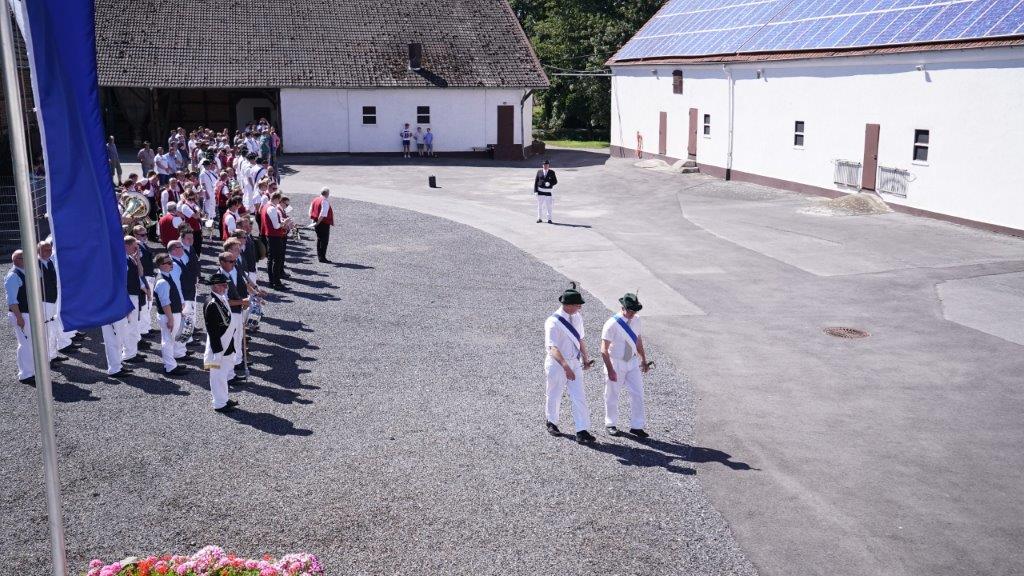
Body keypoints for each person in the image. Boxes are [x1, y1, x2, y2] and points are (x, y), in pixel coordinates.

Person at [544, 286, 596, 443]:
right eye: (578, 305)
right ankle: (552, 422)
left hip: (574, 362)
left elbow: (580, 339)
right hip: (557, 363)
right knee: (554, 393)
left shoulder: (577, 317)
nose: (580, 307)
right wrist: (566, 367)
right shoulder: (553, 322)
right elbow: (553, 348)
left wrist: (585, 359)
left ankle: (582, 430)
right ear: (568, 305)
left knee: (579, 396)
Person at [601, 293, 651, 438]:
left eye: (635, 311)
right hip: (616, 362)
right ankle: (610, 423)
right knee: (612, 394)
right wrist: (610, 369)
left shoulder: (637, 320)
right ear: (622, 308)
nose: (632, 314)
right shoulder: (611, 324)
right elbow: (604, 349)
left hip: (633, 362)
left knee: (638, 393)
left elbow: (638, 341)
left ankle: (637, 426)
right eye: (630, 311)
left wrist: (643, 359)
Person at [203, 272, 239, 413]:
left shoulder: (221, 298)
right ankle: (219, 404)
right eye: (224, 285)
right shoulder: (212, 304)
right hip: (218, 346)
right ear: (216, 286)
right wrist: (217, 352)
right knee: (217, 376)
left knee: (223, 374)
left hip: (227, 343)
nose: (226, 287)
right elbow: (212, 331)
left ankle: (223, 398)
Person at [37, 240, 74, 357]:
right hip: (44, 300)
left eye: (49, 249)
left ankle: (53, 354)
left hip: (54, 298)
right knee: (47, 329)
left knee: (54, 327)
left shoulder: (49, 262)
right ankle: (48, 357)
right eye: (45, 250)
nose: (49, 252)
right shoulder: (35, 264)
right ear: (38, 251)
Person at [152, 254, 187, 375]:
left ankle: (171, 363)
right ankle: (170, 367)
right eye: (168, 263)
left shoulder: (167, 276)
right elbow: (165, 303)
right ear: (161, 265)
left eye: (171, 262)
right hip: (168, 315)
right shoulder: (162, 281)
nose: (171, 264)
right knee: (168, 341)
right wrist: (171, 319)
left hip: (172, 314)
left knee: (170, 340)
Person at [6, 250, 36, 383]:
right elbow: (12, 301)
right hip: (21, 314)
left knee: (31, 343)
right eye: (25, 258)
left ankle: (32, 371)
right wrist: (19, 318)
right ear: (17, 260)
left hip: (28, 313)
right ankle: (25, 374)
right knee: (25, 344)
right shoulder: (13, 276)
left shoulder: (25, 272)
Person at [310, 187, 334, 263]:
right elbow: (323, 214)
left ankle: (320, 256)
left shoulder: (315, 199)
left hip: (316, 221)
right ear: (327, 193)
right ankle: (322, 257)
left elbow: (310, 210)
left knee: (319, 239)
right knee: (324, 240)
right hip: (323, 223)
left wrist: (313, 221)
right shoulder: (324, 201)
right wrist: (318, 222)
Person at [534, 159, 557, 224]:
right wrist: (535, 191)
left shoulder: (552, 172)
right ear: (542, 165)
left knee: (549, 206)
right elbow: (536, 182)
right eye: (544, 165)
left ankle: (549, 219)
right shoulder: (539, 172)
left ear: (548, 165)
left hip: (548, 192)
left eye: (547, 165)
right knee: (540, 206)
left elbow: (555, 181)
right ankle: (539, 218)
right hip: (540, 191)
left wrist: (550, 184)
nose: (545, 166)